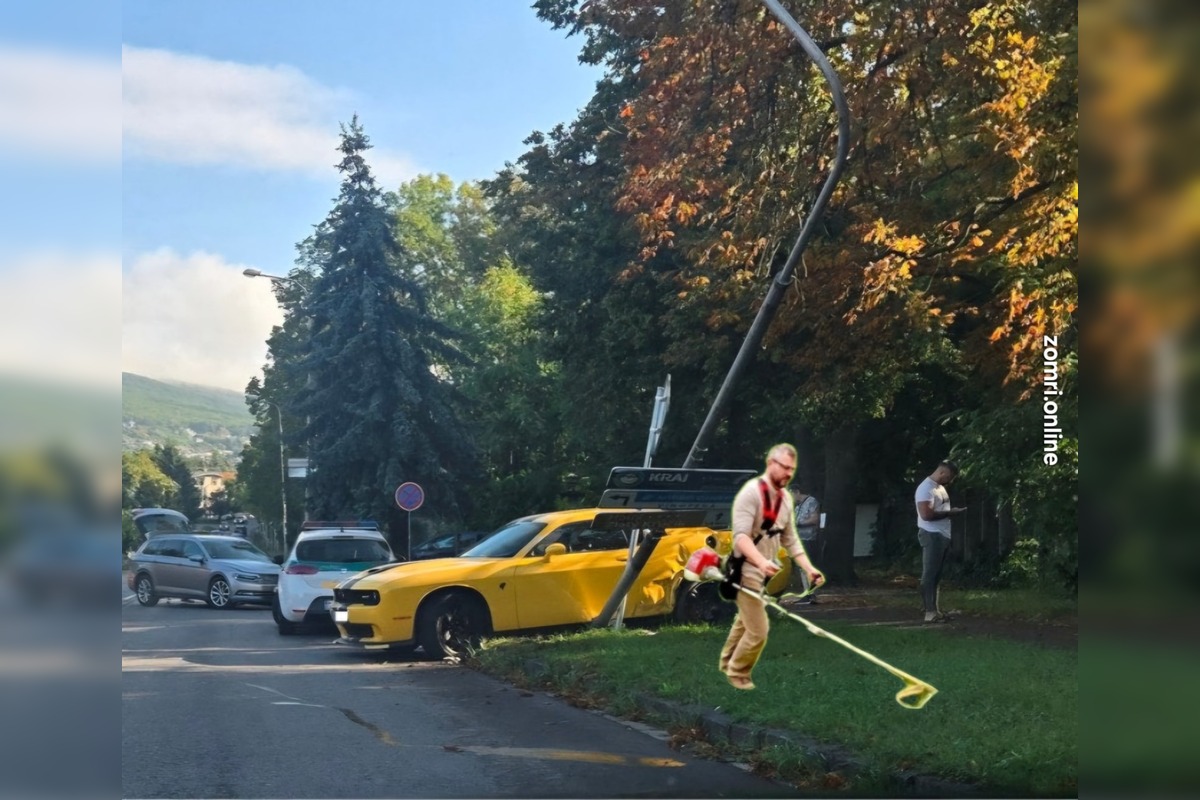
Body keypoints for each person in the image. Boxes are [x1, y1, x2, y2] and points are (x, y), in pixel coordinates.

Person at [719, 444, 824, 690]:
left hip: (764, 570)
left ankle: (727, 660)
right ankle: (738, 672)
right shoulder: (750, 495)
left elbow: (791, 539)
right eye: (782, 467)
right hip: (745, 568)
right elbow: (741, 537)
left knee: (744, 621)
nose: (787, 473)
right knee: (758, 628)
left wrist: (808, 568)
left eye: (790, 468)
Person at [914, 459, 967, 623]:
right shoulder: (925, 489)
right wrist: (951, 513)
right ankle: (929, 612)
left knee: (937, 575)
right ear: (942, 472)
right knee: (929, 574)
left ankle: (935, 610)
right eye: (949, 476)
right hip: (931, 534)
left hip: (942, 534)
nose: (949, 480)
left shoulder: (940, 488)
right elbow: (926, 515)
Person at [790, 486, 822, 604]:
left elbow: (814, 519)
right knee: (802, 568)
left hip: (808, 539)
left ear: (797, 492)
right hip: (800, 539)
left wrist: (797, 523)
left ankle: (811, 594)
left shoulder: (811, 502)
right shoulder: (798, 506)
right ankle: (807, 593)